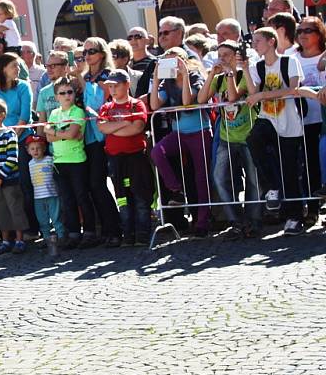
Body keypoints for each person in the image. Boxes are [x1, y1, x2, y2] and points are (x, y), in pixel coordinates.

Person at [197, 41, 261, 240]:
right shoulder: (218, 79)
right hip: (227, 135)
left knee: (253, 180)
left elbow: (232, 97)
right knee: (219, 177)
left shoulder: (244, 75)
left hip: (248, 134)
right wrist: (211, 74)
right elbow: (200, 99)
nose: (222, 59)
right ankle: (236, 220)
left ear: (235, 56)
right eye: (220, 55)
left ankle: (253, 221)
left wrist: (230, 74)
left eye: (226, 55)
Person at [245, 27, 305, 236]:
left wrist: (262, 96)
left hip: (289, 123)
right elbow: (253, 93)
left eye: (258, 41)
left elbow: (293, 89)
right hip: (267, 118)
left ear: (271, 42)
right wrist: (244, 69)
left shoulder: (289, 61)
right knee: (253, 140)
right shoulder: (257, 66)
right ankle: (272, 188)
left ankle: (294, 217)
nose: (255, 45)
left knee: (289, 171)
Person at [150, 49, 213, 238]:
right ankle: (176, 190)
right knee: (156, 152)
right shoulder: (166, 82)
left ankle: (202, 222)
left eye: (174, 62)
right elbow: (154, 105)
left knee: (201, 178)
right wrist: (155, 79)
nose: (171, 67)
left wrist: (184, 74)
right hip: (179, 133)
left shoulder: (194, 77)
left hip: (199, 132)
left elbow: (187, 101)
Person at [73, 37, 121, 248]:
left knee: (98, 184)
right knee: (90, 187)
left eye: (91, 51)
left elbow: (101, 102)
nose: (87, 56)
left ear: (102, 53)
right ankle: (103, 228)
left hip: (103, 135)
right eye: (85, 52)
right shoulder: (85, 75)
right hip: (86, 136)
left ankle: (114, 228)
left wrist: (83, 81)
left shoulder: (107, 76)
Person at [98, 69, 154, 246]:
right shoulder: (106, 107)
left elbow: (137, 128)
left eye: (116, 85)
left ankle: (143, 233)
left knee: (140, 196)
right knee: (122, 198)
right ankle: (128, 234)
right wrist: (123, 123)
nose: (113, 90)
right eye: (110, 86)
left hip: (135, 158)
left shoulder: (136, 105)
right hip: (115, 160)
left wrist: (114, 127)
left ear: (127, 85)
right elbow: (102, 128)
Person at [0, 53, 38, 233]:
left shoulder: (23, 87)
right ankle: (8, 232)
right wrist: (1, 139)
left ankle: (30, 228)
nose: (18, 69)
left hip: (19, 140)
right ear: (3, 68)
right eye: (14, 65)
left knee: (22, 184)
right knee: (0, 190)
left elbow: (24, 117)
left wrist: (9, 138)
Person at [45, 78, 94, 249]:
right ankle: (73, 233)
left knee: (82, 197)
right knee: (67, 199)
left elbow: (72, 134)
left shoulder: (78, 112)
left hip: (77, 161)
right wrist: (63, 132)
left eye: (70, 92)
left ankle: (89, 232)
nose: (67, 95)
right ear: (56, 96)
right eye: (62, 93)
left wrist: (56, 132)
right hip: (59, 162)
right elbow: (47, 136)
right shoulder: (53, 114)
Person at [0, 98, 29, 255]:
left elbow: (12, 158)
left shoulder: (9, 134)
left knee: (15, 208)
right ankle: (6, 240)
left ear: (2, 116)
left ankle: (20, 239)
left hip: (8, 181)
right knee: (1, 211)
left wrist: (0, 178)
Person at [292, 17, 326, 225]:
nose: (303, 34)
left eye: (309, 30)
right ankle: (312, 209)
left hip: (322, 118)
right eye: (300, 30)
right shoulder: (292, 56)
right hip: (300, 119)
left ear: (320, 33)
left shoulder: (323, 55)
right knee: (309, 166)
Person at [25, 135, 62, 243]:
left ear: (44, 149)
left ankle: (61, 236)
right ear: (28, 151)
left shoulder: (50, 160)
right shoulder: (29, 164)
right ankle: (46, 238)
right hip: (38, 197)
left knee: (56, 217)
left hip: (52, 195)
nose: (35, 151)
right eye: (32, 149)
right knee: (42, 219)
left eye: (38, 148)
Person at [36, 51, 72, 137]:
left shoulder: (73, 88)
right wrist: (40, 140)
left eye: (53, 66)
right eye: (47, 66)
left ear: (65, 67)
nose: (48, 70)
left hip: (73, 143)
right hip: (52, 147)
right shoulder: (43, 92)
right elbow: (42, 121)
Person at [21, 41, 45, 109]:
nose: (24, 54)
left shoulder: (42, 72)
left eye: (28, 52)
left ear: (34, 55)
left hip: (38, 107)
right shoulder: (16, 72)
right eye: (22, 52)